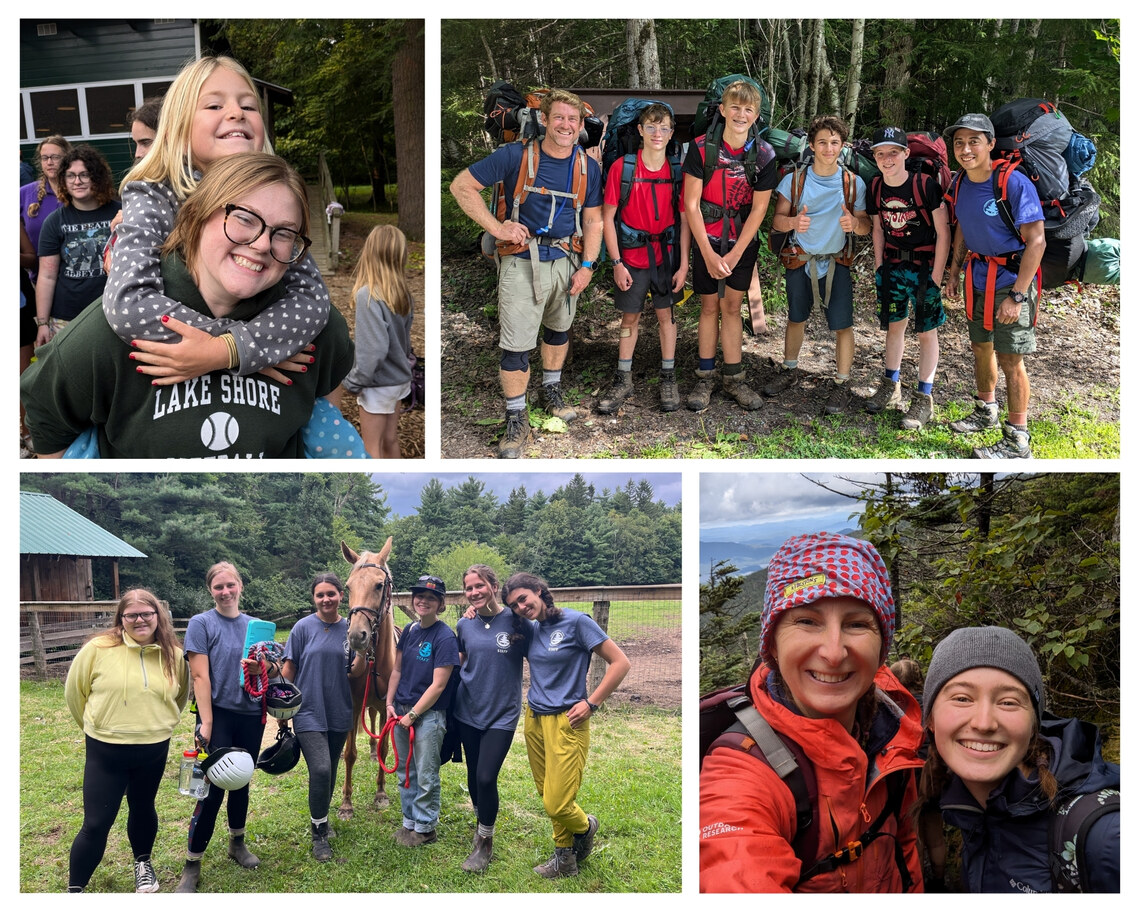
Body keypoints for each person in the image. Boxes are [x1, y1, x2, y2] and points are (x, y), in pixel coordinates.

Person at [20, 151, 353, 458]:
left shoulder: (314, 331)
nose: (263, 243)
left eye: (284, 233)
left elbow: (327, 390)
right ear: (195, 216)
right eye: (245, 218)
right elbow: (46, 413)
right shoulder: (109, 331)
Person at [700, 532, 924, 892]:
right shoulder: (741, 769)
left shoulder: (893, 729)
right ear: (771, 640)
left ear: (883, 645)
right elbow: (733, 867)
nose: (834, 653)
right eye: (807, 621)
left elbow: (904, 846)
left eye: (856, 624)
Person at [102, 55, 330, 384]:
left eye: (249, 107)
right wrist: (233, 349)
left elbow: (313, 300)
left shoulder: (276, 199)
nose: (236, 113)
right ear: (178, 126)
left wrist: (231, 351)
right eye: (214, 106)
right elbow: (128, 304)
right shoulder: (152, 194)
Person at [450, 89, 604, 458]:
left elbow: (594, 219)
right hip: (522, 262)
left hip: (568, 260)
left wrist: (588, 266)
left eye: (573, 120)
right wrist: (499, 227)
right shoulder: (514, 156)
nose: (566, 125)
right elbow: (462, 186)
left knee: (559, 330)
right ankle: (517, 418)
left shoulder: (588, 167)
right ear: (545, 121)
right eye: (559, 118)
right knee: (517, 345)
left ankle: (551, 390)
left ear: (581, 126)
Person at [920, 626, 1119, 892]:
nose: (984, 723)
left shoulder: (1107, 836)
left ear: (1034, 725)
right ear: (930, 719)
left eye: (1008, 702)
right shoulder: (965, 806)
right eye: (962, 698)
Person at [503, 572, 631, 878]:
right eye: (514, 605)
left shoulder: (577, 622)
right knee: (545, 792)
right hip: (534, 719)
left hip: (567, 721)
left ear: (539, 591)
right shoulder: (531, 629)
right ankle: (564, 859)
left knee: (557, 802)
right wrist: (473, 610)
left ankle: (586, 827)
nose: (521, 607)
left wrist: (592, 703)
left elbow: (621, 662)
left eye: (524, 598)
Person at [64, 589, 189, 893]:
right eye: (131, 615)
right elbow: (74, 694)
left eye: (147, 613)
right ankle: (75, 889)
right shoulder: (98, 648)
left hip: (154, 748)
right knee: (96, 823)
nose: (140, 620)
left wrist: (159, 724)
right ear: (121, 619)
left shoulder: (173, 653)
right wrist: (102, 728)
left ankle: (143, 864)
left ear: (158, 616)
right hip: (106, 752)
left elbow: (181, 695)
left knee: (143, 807)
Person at [943, 113, 1045, 459]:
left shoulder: (1012, 183)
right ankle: (986, 411)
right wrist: (954, 272)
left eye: (974, 141)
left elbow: (1037, 241)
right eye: (959, 142)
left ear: (990, 144)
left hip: (1011, 279)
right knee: (980, 347)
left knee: (1010, 358)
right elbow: (962, 227)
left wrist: (1017, 296)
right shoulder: (960, 183)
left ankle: (1018, 440)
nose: (966, 148)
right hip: (977, 277)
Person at [176, 561, 281, 893]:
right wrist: (205, 722)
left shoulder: (257, 626)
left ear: (240, 587)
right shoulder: (201, 624)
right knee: (211, 789)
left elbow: (276, 669)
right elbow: (199, 676)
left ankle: (237, 843)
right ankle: (192, 864)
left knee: (241, 782)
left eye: (230, 585)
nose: (225, 592)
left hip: (250, 715)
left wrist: (262, 666)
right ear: (211, 590)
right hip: (216, 716)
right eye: (218, 587)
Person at [764, 116, 872, 415]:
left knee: (842, 325)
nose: (828, 148)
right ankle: (789, 369)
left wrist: (854, 224)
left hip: (837, 262)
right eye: (822, 142)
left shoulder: (853, 183)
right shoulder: (795, 180)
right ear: (811, 145)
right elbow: (777, 221)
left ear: (843, 146)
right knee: (796, 318)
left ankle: (842, 383)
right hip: (799, 258)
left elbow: (865, 225)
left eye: (834, 143)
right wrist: (793, 222)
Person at [683, 80, 778, 412]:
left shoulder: (764, 155)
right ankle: (704, 376)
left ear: (756, 116)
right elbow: (690, 204)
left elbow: (760, 209)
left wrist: (735, 253)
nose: (740, 114)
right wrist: (708, 254)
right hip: (706, 239)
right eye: (734, 107)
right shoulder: (701, 148)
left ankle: (734, 378)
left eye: (748, 109)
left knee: (732, 308)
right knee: (709, 307)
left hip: (742, 241)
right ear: (722, 110)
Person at [597, 103, 690, 414]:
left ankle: (668, 376)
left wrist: (684, 263)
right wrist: (616, 262)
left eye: (664, 128)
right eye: (651, 127)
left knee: (667, 317)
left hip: (666, 257)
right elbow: (607, 218)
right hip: (632, 258)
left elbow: (685, 219)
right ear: (639, 130)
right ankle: (623, 378)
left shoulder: (677, 170)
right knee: (630, 318)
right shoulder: (622, 169)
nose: (657, 133)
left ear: (672, 132)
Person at [864, 126, 949, 429]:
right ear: (874, 157)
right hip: (891, 268)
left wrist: (937, 275)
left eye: (893, 152)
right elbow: (877, 228)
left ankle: (923, 398)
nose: (887, 159)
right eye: (880, 153)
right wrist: (878, 266)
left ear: (906, 153)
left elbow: (943, 232)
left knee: (926, 333)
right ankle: (890, 386)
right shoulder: (875, 187)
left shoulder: (924, 185)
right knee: (894, 327)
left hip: (925, 269)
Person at [453, 565, 533, 872]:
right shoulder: (464, 624)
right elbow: (461, 660)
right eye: (469, 588)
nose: (474, 592)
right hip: (468, 710)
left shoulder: (516, 620)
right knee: (474, 775)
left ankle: (485, 842)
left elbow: (538, 653)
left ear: (493, 585)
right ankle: (481, 821)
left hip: (502, 712)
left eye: (479, 586)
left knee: (487, 776)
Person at [282, 573, 358, 862]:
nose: (326, 599)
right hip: (308, 710)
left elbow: (358, 672)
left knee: (332, 771)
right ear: (314, 598)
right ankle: (319, 834)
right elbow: (289, 669)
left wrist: (363, 653)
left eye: (331, 593)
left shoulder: (352, 627)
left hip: (339, 710)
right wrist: (281, 706)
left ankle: (321, 819)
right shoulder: (303, 627)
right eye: (320, 595)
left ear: (341, 595)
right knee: (322, 769)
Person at [386, 576, 460, 847]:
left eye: (430, 597)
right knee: (405, 771)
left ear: (440, 603)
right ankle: (409, 823)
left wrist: (413, 715)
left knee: (425, 772)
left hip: (427, 716)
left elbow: (438, 685)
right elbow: (397, 670)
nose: (423, 601)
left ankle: (426, 828)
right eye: (419, 596)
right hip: (401, 712)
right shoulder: (408, 631)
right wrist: (389, 703)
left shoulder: (444, 636)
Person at [33, 146, 120, 346]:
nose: (77, 181)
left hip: (113, 311)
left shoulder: (120, 213)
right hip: (67, 316)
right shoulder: (55, 221)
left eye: (84, 175)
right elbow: (46, 276)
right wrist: (42, 323)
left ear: (97, 178)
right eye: (70, 176)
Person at [342, 224, 414, 458]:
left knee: (371, 448)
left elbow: (374, 351)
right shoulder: (403, 293)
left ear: (369, 252)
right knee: (390, 440)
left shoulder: (368, 295)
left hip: (377, 384)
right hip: (399, 381)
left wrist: (353, 382)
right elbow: (406, 344)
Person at [20, 134, 72, 266]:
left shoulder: (79, 191)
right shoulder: (25, 193)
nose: (49, 162)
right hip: (40, 275)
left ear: (68, 159)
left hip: (78, 276)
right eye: (45, 158)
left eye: (55, 157)